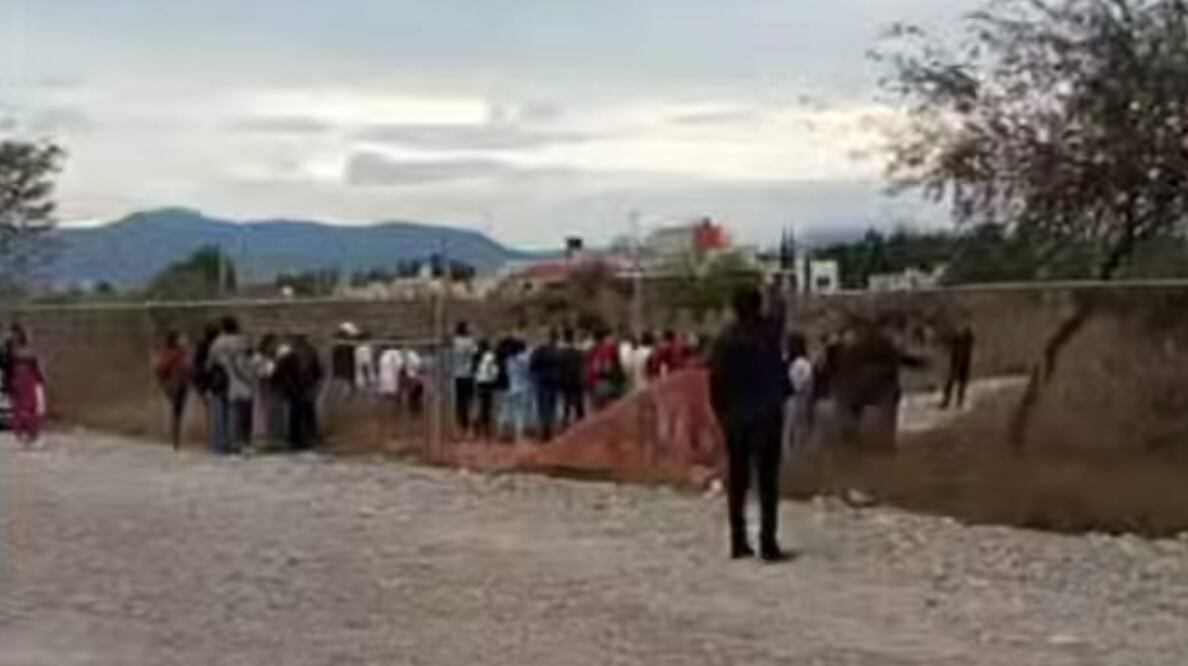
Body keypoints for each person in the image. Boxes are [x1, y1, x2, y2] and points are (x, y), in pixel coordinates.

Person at [710, 285, 789, 562]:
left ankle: (738, 541)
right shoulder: (768, 334)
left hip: (735, 419)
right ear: (758, 306)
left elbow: (716, 382)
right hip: (767, 417)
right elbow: (781, 314)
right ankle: (768, 543)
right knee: (767, 482)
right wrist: (776, 290)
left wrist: (721, 415)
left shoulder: (724, 340)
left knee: (738, 480)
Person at [207, 316, 254, 454]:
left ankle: (221, 445)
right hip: (241, 382)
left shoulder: (217, 343)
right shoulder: (243, 341)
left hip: (222, 382)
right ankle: (238, 442)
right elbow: (247, 362)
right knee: (239, 415)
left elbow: (209, 364)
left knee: (222, 415)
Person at [276, 335, 324, 451]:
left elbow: (281, 371)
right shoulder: (311, 352)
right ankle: (310, 436)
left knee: (295, 414)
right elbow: (317, 371)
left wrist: (289, 386)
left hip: (295, 388)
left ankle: (296, 439)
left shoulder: (290, 354)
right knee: (308, 413)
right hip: (305, 387)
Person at [8, 325, 45, 449]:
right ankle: (25, 433)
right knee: (21, 407)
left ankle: (30, 433)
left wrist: (39, 379)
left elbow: (35, 367)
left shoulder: (23, 351)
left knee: (29, 406)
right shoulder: (10, 348)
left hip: (26, 380)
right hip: (19, 380)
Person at [154, 330, 192, 450]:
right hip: (174, 385)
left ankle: (177, 437)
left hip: (181, 384)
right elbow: (160, 369)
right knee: (176, 411)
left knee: (178, 411)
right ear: (174, 340)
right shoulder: (169, 353)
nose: (182, 340)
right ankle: (175, 438)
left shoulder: (183, 352)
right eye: (180, 338)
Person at [784, 332, 815, 454]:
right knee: (794, 429)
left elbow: (803, 383)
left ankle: (793, 454)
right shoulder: (797, 362)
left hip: (795, 398)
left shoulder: (801, 364)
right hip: (795, 399)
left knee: (792, 429)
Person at [531, 330, 563, 441]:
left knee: (543, 407)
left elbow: (533, 366)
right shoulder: (558, 352)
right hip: (554, 381)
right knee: (552, 406)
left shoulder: (540, 350)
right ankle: (550, 430)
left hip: (542, 380)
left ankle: (544, 431)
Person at [503, 340, 534, 441]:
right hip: (524, 388)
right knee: (520, 413)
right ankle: (519, 434)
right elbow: (529, 372)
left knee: (510, 411)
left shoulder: (509, 359)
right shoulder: (524, 359)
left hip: (512, 387)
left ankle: (507, 432)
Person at [451, 322, 478, 433]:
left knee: (460, 401)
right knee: (470, 399)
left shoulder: (454, 342)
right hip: (468, 374)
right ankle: (470, 423)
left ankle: (463, 423)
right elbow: (475, 354)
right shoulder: (470, 341)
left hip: (457, 374)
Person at [941, 324, 975, 409]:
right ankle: (952, 399)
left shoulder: (967, 333)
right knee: (957, 374)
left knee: (960, 374)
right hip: (961, 347)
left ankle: (953, 399)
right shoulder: (965, 332)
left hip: (963, 347)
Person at [558, 328, 587, 428]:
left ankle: (565, 421)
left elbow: (559, 367)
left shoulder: (561, 352)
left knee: (566, 402)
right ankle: (581, 420)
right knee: (579, 402)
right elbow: (582, 365)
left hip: (565, 379)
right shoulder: (578, 351)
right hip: (577, 379)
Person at [587, 329, 623, 410]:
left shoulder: (592, 349)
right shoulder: (608, 349)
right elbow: (607, 367)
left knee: (596, 407)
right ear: (605, 338)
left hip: (593, 380)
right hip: (604, 381)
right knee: (606, 408)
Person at [474, 340, 499, 439]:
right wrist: (494, 376)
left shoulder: (476, 356)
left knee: (480, 404)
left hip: (479, 382)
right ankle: (486, 428)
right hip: (489, 382)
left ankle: (478, 423)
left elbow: (474, 369)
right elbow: (493, 369)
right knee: (487, 405)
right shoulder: (490, 355)